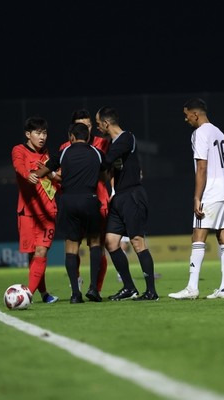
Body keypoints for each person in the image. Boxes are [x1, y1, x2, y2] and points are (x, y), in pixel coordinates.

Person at [168, 98, 224, 300]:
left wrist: (197, 196)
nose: (186, 119)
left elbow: (202, 167)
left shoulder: (200, 133)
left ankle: (192, 288)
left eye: (186, 114)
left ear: (195, 114)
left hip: (211, 192)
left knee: (198, 236)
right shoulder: (219, 132)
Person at [96, 106, 159, 301]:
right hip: (119, 197)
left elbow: (106, 161)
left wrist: (84, 160)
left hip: (133, 195)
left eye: (98, 124)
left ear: (106, 123)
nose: (98, 128)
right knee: (111, 242)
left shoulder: (126, 138)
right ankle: (129, 287)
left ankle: (151, 292)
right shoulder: (113, 143)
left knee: (137, 241)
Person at [43, 123, 106, 303]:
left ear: (71, 136)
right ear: (87, 137)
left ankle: (75, 294)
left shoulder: (64, 152)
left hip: (68, 201)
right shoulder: (96, 153)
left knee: (71, 247)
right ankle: (93, 288)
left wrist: (37, 174)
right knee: (95, 243)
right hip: (89, 200)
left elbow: (46, 169)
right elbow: (108, 166)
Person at [58, 109, 110, 294]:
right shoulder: (65, 147)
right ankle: (76, 284)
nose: (86, 128)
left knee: (98, 246)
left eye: (89, 125)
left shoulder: (103, 143)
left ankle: (95, 287)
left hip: (100, 201)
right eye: (82, 125)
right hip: (82, 200)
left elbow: (109, 171)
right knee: (76, 244)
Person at [11, 116, 59, 304]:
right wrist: (27, 175)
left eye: (44, 133)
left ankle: (27, 295)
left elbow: (57, 180)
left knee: (41, 252)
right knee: (33, 255)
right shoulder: (19, 150)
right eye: (38, 133)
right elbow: (18, 165)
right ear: (28, 134)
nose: (42, 137)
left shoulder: (48, 157)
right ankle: (44, 293)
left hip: (48, 212)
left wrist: (55, 176)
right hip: (27, 212)